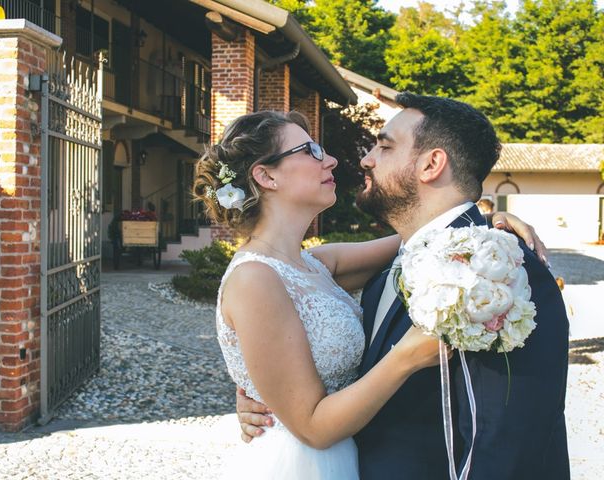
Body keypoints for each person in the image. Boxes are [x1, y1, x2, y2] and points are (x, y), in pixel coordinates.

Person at [237, 95, 569, 480]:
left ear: (431, 164)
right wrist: (264, 391)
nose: (365, 159)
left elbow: (505, 443)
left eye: (385, 145)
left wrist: (486, 222)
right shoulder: (381, 272)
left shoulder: (496, 274)